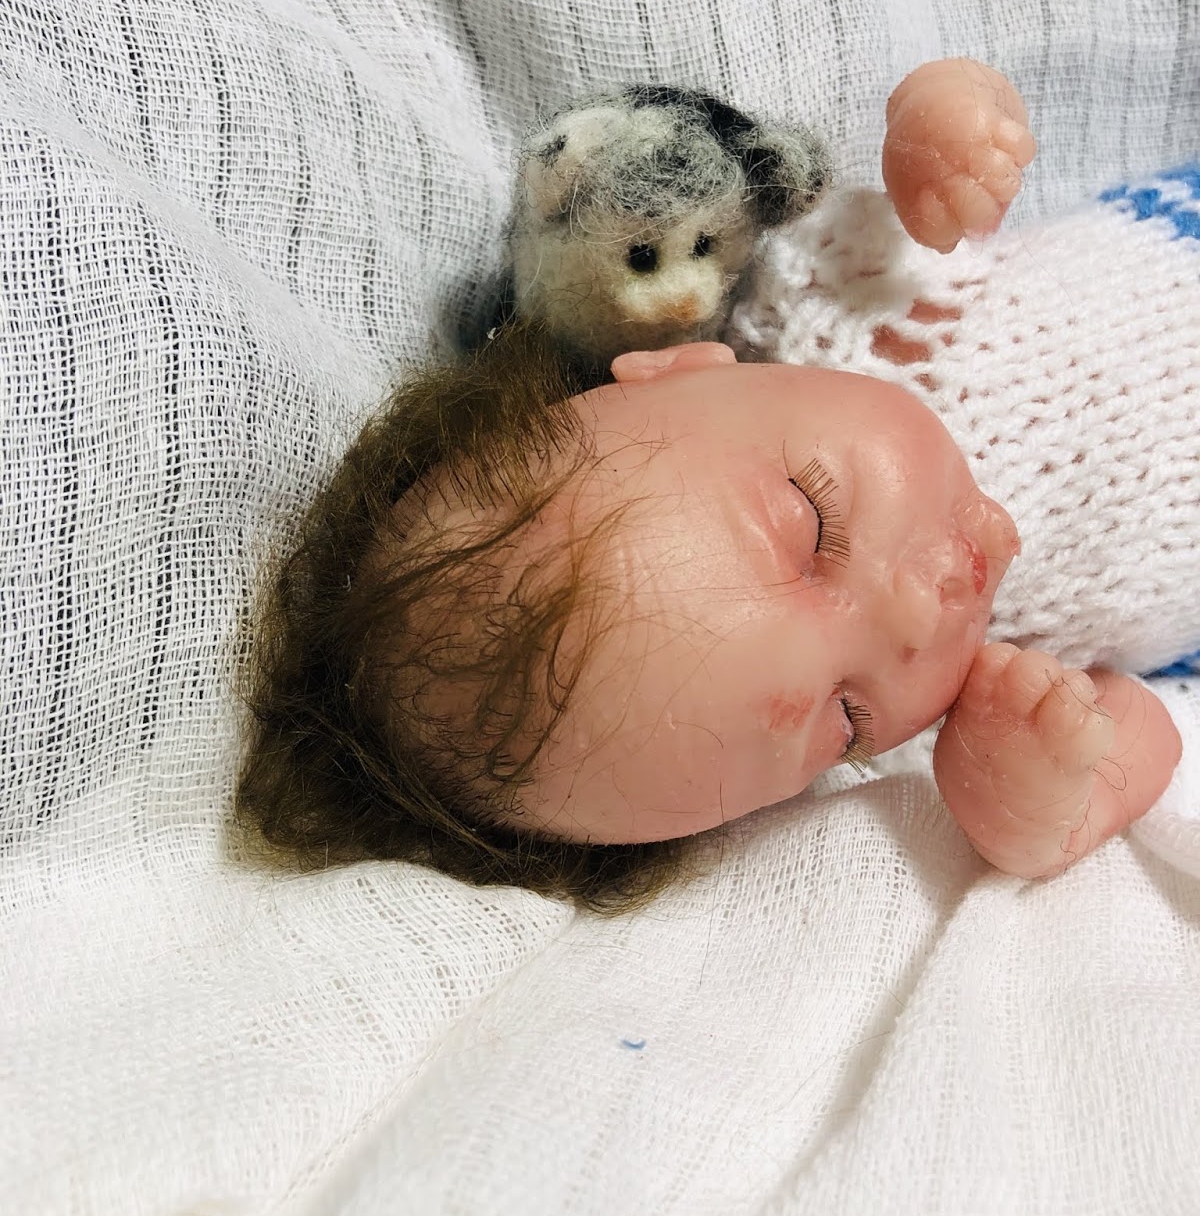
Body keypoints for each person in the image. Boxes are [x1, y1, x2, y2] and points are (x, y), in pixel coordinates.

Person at [235, 62, 1187, 908]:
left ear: (684, 366)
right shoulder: (980, 702)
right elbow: (1146, 725)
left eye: (813, 526)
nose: (911, 618)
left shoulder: (824, 309)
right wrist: (1041, 794)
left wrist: (943, 132)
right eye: (843, 717)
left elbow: (943, 177)